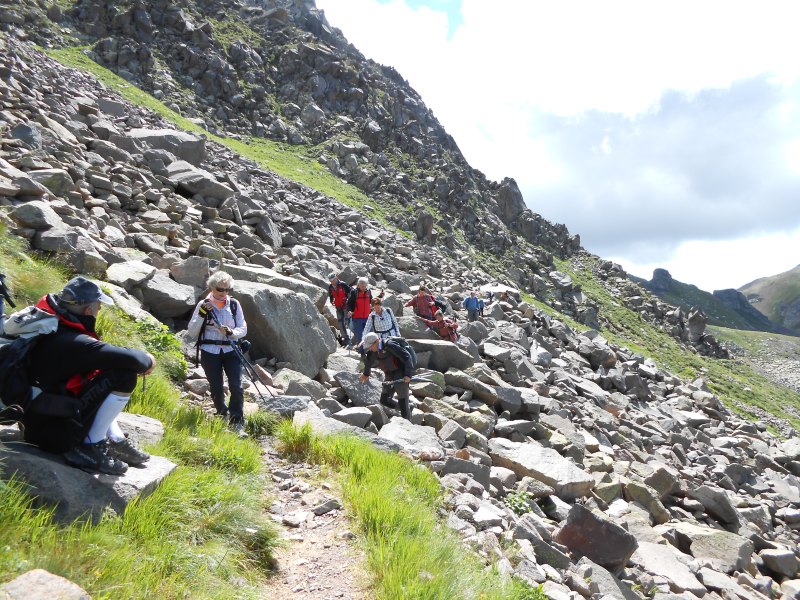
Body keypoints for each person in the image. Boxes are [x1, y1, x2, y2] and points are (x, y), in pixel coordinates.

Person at [28, 276, 155, 475]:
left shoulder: (51, 327)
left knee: (108, 370)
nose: (99, 311)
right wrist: (149, 359)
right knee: (124, 376)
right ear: (88, 310)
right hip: (53, 433)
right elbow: (136, 360)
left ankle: (115, 440)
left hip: (38, 419)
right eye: (98, 307)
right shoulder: (74, 342)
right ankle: (89, 446)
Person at [187, 271, 248, 436]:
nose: (224, 293)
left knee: (236, 385)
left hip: (231, 350)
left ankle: (237, 421)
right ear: (212, 287)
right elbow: (192, 331)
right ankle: (222, 413)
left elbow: (243, 328)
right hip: (209, 351)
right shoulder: (203, 305)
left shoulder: (234, 304)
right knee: (216, 387)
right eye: (221, 289)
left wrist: (231, 332)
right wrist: (202, 315)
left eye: (227, 289)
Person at [358, 332, 414, 420]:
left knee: (403, 402)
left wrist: (408, 374)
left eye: (371, 346)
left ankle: (407, 422)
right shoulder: (373, 351)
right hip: (389, 375)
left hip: (401, 373)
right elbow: (368, 362)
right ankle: (409, 407)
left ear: (377, 341)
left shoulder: (390, 345)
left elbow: (407, 357)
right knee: (384, 400)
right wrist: (366, 374)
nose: (370, 349)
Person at [346, 277, 375, 348]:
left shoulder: (368, 291)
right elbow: (349, 304)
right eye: (361, 286)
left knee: (368, 334)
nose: (363, 287)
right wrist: (350, 311)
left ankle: (368, 350)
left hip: (367, 317)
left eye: (364, 286)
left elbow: (371, 300)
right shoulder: (354, 292)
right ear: (358, 285)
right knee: (359, 336)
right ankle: (361, 351)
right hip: (357, 318)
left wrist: (378, 298)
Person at [327, 273, 352, 347]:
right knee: (340, 323)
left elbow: (351, 293)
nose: (332, 282)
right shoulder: (330, 286)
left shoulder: (343, 284)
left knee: (348, 322)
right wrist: (331, 301)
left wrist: (348, 300)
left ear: (336, 278)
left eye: (333, 280)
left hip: (345, 306)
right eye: (331, 280)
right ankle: (346, 338)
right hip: (338, 307)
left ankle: (355, 337)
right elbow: (331, 295)